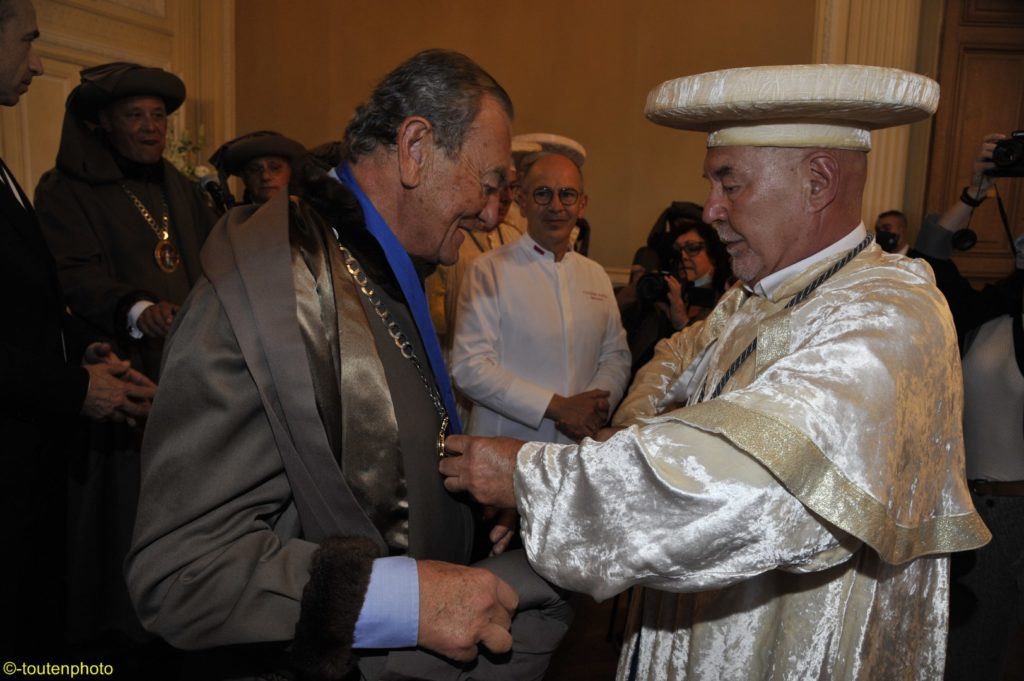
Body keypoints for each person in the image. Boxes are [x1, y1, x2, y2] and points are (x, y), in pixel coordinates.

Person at [439, 64, 991, 680]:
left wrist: (533, 477)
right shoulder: (755, 296)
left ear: (818, 181)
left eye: (730, 183)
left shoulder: (889, 315)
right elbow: (674, 356)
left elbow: (752, 479)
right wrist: (621, 439)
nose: (712, 209)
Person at [125, 49, 569, 681]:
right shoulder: (269, 293)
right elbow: (182, 574)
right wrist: (405, 602)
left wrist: (466, 511)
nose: (495, 214)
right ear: (415, 148)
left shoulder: (380, 267)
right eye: (490, 182)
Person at [0, 0, 155, 658]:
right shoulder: (67, 187)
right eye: (28, 40)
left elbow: (19, 301)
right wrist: (75, 386)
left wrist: (79, 347)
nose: (38, 62)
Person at [34, 61, 218, 382]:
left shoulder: (182, 187)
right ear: (105, 121)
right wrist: (136, 309)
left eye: (158, 115)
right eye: (135, 115)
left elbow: (216, 256)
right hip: (120, 363)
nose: (151, 126)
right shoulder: (66, 188)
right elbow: (72, 273)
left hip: (193, 359)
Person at [451, 151, 630, 444]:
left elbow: (616, 356)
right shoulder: (488, 270)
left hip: (575, 446)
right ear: (522, 202)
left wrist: (592, 407)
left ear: (582, 204)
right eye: (542, 194)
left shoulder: (596, 274)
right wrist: (558, 407)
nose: (556, 206)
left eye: (567, 194)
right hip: (504, 446)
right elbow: (470, 368)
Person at [617, 202, 733, 374]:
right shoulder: (663, 292)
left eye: (692, 248)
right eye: (677, 251)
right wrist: (637, 291)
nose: (683, 256)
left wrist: (681, 321)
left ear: (713, 255)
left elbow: (709, 365)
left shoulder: (727, 303)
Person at [426, 163, 522, 354]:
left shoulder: (516, 238)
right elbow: (435, 327)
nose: (508, 197)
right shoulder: (449, 242)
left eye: (512, 187)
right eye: (500, 188)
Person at [209, 129, 306, 205]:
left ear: (291, 172)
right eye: (254, 170)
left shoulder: (307, 218)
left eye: (275, 168)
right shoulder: (230, 219)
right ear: (244, 177)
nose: (265, 176)